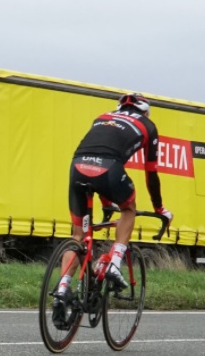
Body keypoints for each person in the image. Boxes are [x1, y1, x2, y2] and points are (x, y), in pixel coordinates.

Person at [58, 93, 171, 304]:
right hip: (108, 169)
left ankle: (63, 287)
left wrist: (106, 203)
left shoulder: (101, 117)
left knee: (78, 236)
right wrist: (159, 207)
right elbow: (151, 174)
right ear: (145, 111)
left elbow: (97, 154)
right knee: (129, 209)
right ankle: (115, 264)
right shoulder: (148, 125)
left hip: (78, 166)